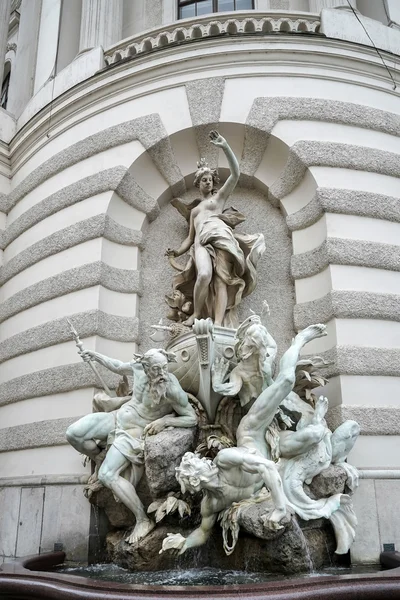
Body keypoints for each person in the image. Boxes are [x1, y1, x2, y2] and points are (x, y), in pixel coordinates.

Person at [161, 324, 327, 555]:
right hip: (275, 451)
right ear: (195, 482)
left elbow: (266, 467)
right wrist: (184, 542)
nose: (202, 462)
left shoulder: (224, 459)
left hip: (252, 431)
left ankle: (299, 340)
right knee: (315, 435)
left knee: (287, 379)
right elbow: (203, 531)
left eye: (195, 464)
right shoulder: (211, 504)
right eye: (194, 469)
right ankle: (317, 419)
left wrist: (280, 508)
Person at [66, 348, 197, 544]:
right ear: (145, 366)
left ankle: (142, 519)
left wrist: (165, 422)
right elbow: (118, 366)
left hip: (134, 433)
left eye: (164, 368)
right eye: (156, 369)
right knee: (73, 434)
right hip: (118, 417)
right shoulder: (138, 368)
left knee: (107, 475)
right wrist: (95, 355)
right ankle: (99, 456)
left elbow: (191, 418)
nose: (162, 374)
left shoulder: (171, 389)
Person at [166, 131, 265, 328]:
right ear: (198, 183)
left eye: (210, 179)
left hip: (222, 238)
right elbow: (190, 238)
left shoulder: (218, 199)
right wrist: (177, 252)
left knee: (222, 281)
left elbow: (235, 174)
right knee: (204, 275)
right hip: (201, 242)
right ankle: (195, 313)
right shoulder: (194, 211)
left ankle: (219, 323)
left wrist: (225, 146)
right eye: (204, 179)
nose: (208, 182)